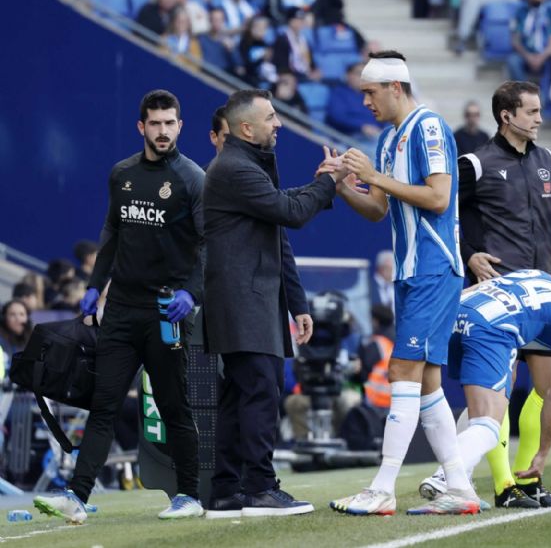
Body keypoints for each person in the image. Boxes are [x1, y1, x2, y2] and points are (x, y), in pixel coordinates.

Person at [33, 90, 206, 523]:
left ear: (179, 127)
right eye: (155, 123)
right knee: (104, 404)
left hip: (166, 311)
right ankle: (76, 496)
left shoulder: (192, 178)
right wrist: (95, 287)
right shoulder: (121, 174)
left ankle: (189, 495)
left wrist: (192, 292)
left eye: (170, 123)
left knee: (173, 407)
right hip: (122, 310)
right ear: (141, 127)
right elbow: (112, 231)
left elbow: (209, 245)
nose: (163, 131)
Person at [327, 50, 479, 516]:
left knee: (401, 371)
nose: (365, 103)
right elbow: (377, 209)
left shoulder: (429, 128)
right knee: (428, 382)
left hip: (434, 268)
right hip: (412, 271)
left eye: (370, 93)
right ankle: (459, 487)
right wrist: (345, 184)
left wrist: (374, 176)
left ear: (395, 87)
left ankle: (382, 486)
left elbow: (438, 196)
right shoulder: (389, 138)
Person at [449, 79, 551, 510]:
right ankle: (502, 486)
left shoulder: (548, 160)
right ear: (506, 116)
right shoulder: (474, 164)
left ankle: (530, 479)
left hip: (542, 297)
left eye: (539, 111)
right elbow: (443, 215)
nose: (539, 119)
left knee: (545, 388)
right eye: (531, 112)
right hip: (496, 295)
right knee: (500, 390)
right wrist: (471, 255)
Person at [203, 89, 342, 518]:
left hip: (249, 298)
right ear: (247, 128)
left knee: (239, 395)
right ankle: (260, 487)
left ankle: (225, 491)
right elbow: (291, 213)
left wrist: (296, 302)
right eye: (271, 117)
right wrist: (328, 182)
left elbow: (278, 232)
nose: (278, 123)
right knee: (261, 389)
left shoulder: (246, 167)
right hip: (243, 300)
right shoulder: (234, 168)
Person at [420, 272, 551, 504]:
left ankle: (459, 482)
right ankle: (444, 477)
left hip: (457, 312)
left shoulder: (540, 275)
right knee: (488, 425)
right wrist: (543, 455)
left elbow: (486, 285)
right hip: (491, 326)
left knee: (480, 409)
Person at [507, 0, 551, 110]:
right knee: (513, 61)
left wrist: (541, 57)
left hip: (545, 54)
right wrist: (528, 56)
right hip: (525, 53)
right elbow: (515, 39)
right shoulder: (521, 12)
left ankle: (545, 99)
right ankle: (524, 95)